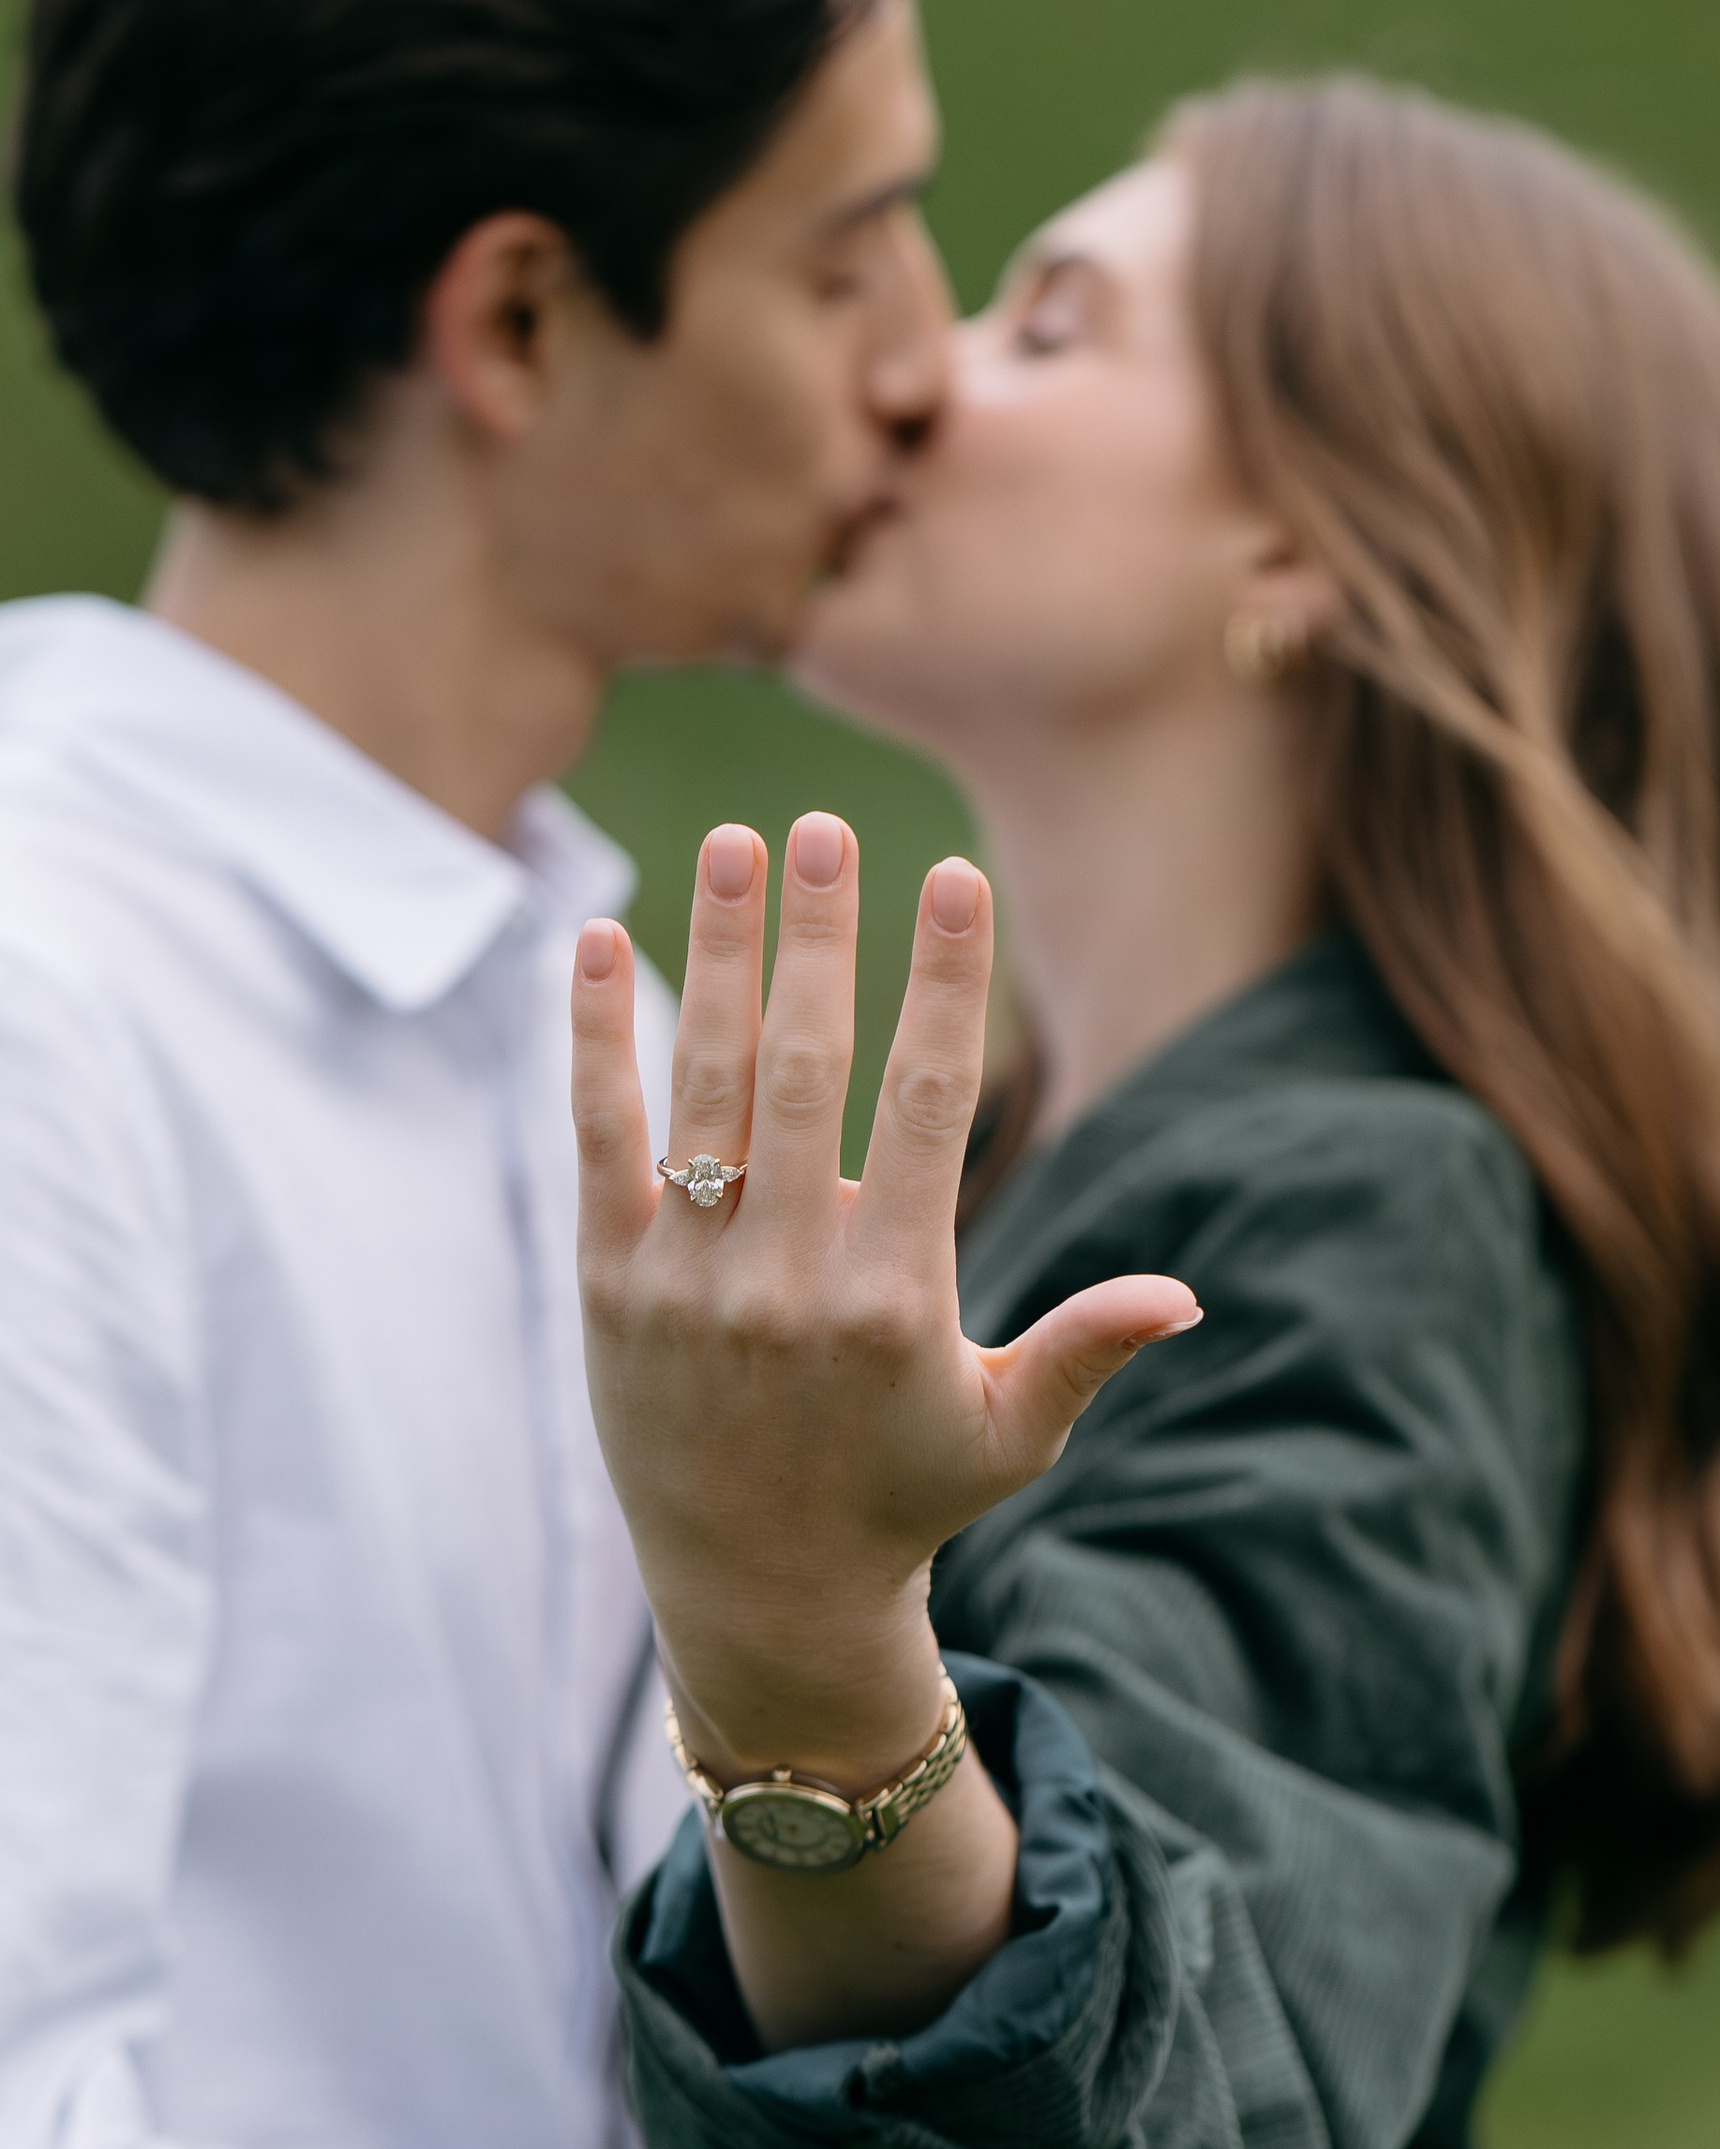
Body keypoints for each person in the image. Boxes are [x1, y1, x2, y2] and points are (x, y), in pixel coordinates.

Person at [567, 77, 1720, 2146]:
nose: (903, 375)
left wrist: (803, 1652)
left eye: (1046, 323)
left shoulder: (1379, 1214)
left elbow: (1214, 2070)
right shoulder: (1029, 1180)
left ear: (1309, 541)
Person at [0, 3, 962, 2144]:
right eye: (838, 262)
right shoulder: (41, 1003)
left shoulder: (591, 1020)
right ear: (519, 317)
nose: (928, 363)